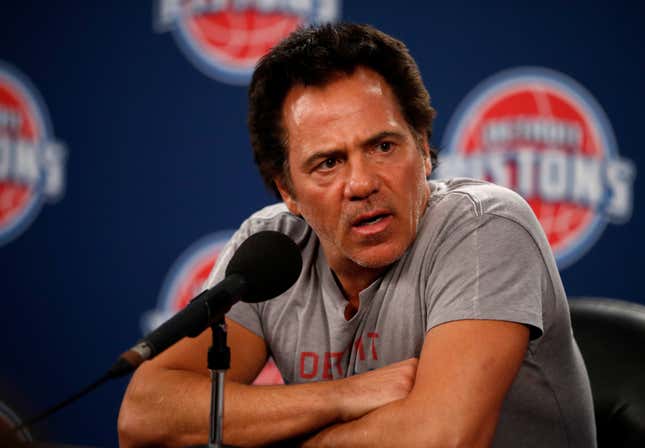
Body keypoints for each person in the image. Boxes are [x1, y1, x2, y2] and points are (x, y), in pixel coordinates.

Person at [118, 23, 596, 447]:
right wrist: (344, 397)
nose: (362, 183)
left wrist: (287, 436)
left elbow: (443, 438)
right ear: (288, 190)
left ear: (425, 151)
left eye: (383, 146)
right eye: (328, 163)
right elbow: (145, 414)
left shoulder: (484, 226)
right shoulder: (272, 246)